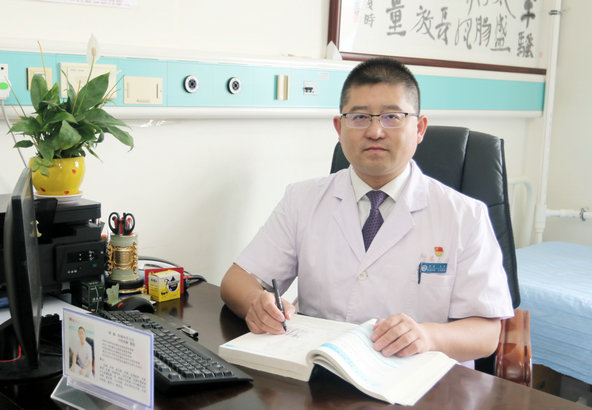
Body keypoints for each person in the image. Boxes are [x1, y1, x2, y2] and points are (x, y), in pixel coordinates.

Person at [220, 57, 514, 366]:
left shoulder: (465, 216)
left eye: (392, 117)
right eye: (359, 117)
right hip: (319, 372)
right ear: (339, 127)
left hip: (419, 379)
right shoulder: (302, 199)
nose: (375, 131)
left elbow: (486, 333)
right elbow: (237, 280)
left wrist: (428, 337)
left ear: (419, 128)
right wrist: (257, 303)